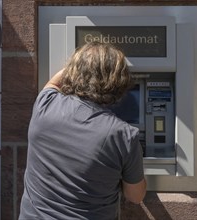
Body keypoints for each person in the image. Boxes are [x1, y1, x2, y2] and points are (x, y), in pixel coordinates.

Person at [19, 42, 146, 220]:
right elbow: (135, 196)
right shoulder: (124, 135)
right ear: (120, 81)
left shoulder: (45, 105)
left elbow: (56, 81)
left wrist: (81, 67)